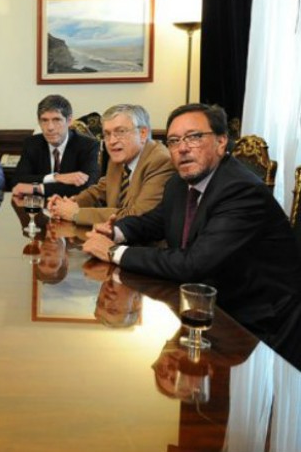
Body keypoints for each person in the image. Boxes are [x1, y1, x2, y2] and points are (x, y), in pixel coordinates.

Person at [83, 103, 301, 338]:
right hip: (203, 305)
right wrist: (115, 231)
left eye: (194, 137)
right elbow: (154, 222)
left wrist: (113, 251)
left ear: (221, 142)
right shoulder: (179, 183)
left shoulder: (241, 191)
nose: (183, 148)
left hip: (258, 322)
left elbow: (193, 264)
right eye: (174, 141)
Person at [48, 104, 175, 226]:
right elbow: (99, 191)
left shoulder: (161, 162)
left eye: (120, 132)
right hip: (114, 235)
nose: (112, 141)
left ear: (142, 134)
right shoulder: (119, 158)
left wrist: (76, 213)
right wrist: (68, 203)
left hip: (144, 240)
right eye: (107, 134)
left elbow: (138, 216)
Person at [11, 94, 100, 197]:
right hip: (39, 205)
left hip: (72, 205)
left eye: (56, 120)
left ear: (69, 121)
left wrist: (38, 188)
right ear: (39, 122)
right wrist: (55, 178)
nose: (50, 127)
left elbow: (88, 186)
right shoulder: (32, 144)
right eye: (44, 120)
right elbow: (18, 180)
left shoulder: (88, 146)